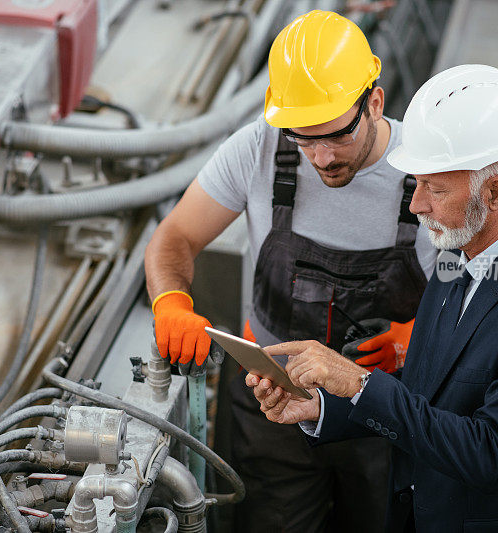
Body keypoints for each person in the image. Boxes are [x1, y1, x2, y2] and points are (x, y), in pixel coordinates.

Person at [247, 64, 498, 533]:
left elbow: (490, 450)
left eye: (434, 189)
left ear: (494, 193)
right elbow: (426, 394)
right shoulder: (456, 256)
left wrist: (357, 383)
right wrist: (322, 406)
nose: (416, 206)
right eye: (416, 183)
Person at [144, 10, 437, 532]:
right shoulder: (259, 150)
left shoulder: (429, 171)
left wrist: (424, 338)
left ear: (374, 102)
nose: (321, 158)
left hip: (382, 411)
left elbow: (486, 287)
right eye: (305, 139)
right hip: (272, 402)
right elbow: (175, 239)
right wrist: (171, 302)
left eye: (336, 136)